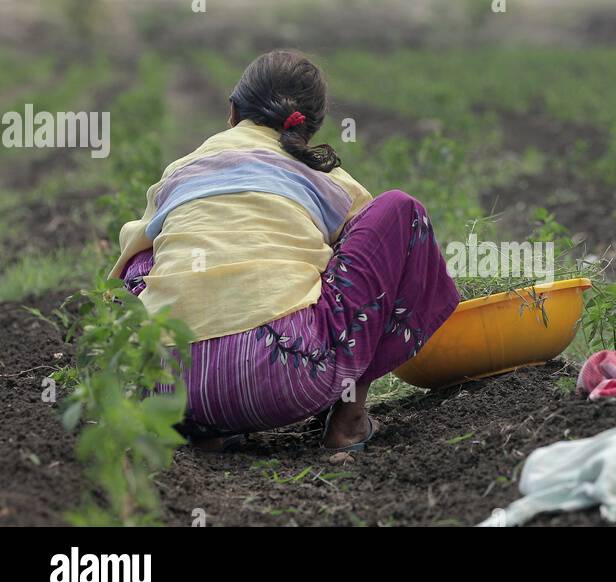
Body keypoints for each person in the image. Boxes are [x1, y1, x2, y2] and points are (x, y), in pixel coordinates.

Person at [110, 50, 459, 450]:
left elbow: (129, 260)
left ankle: (206, 429)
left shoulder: (182, 170)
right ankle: (348, 421)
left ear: (232, 111)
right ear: (310, 127)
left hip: (163, 390)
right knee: (399, 211)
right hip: (285, 374)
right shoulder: (327, 179)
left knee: (145, 254)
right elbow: (366, 259)